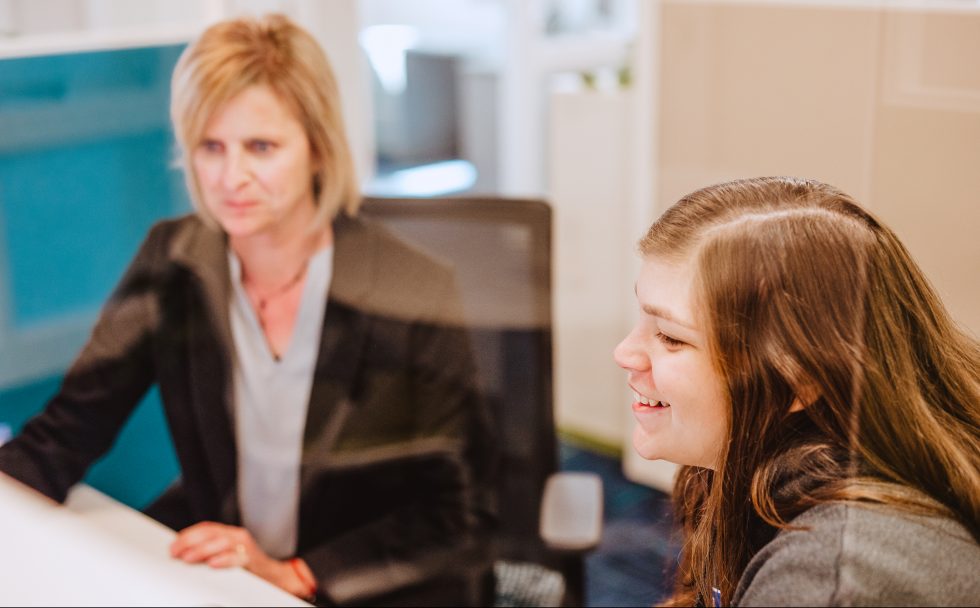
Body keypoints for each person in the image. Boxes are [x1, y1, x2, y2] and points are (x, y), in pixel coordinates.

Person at [0, 14, 496, 606]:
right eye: (211, 147)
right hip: (231, 573)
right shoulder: (174, 260)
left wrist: (295, 575)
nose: (231, 178)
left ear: (318, 149)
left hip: (364, 585)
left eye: (261, 147)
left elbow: (461, 511)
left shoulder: (413, 289)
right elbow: (65, 432)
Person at [614, 176, 980, 606]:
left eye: (670, 337)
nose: (625, 353)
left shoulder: (828, 582)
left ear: (797, 378)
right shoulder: (749, 470)